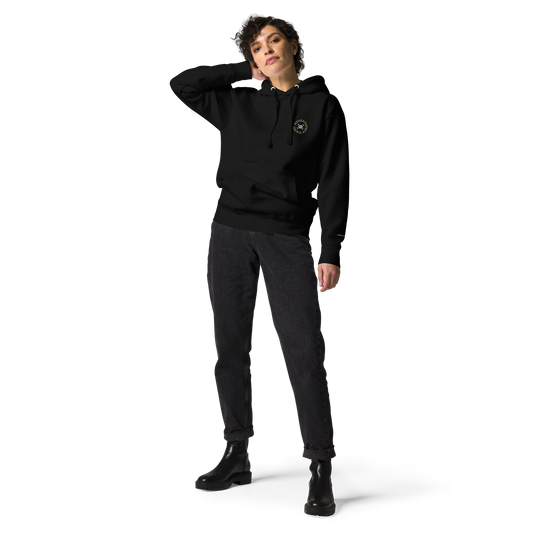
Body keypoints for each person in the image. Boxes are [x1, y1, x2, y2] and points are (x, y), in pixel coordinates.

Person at [167, 10, 351, 517]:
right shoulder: (237, 99)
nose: (267, 50)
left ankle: (319, 468)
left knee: (304, 352)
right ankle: (236, 452)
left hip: (287, 239)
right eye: (256, 46)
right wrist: (241, 72)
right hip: (226, 233)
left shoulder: (322, 105)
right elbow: (180, 83)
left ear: (293, 45)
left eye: (273, 41)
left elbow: (335, 182)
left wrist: (330, 253)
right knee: (229, 348)